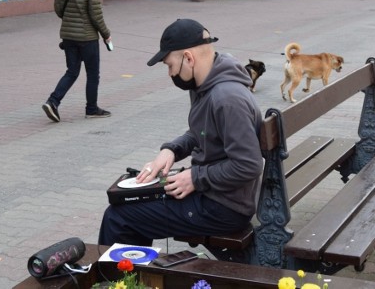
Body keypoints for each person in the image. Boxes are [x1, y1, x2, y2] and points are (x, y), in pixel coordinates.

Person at [98, 19, 263, 246]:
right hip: (217, 193)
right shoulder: (205, 84)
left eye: (170, 65)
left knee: (118, 218)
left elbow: (248, 165)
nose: (170, 74)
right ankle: (136, 275)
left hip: (225, 207)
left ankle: (121, 280)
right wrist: (171, 151)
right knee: (127, 202)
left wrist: (195, 178)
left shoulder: (227, 98)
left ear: (188, 58)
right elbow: (203, 131)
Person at [42, 0, 112, 122]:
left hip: (68, 37)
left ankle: (53, 102)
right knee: (92, 73)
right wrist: (106, 34)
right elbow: (96, 16)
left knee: (72, 72)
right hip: (87, 38)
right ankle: (91, 108)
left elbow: (59, 10)